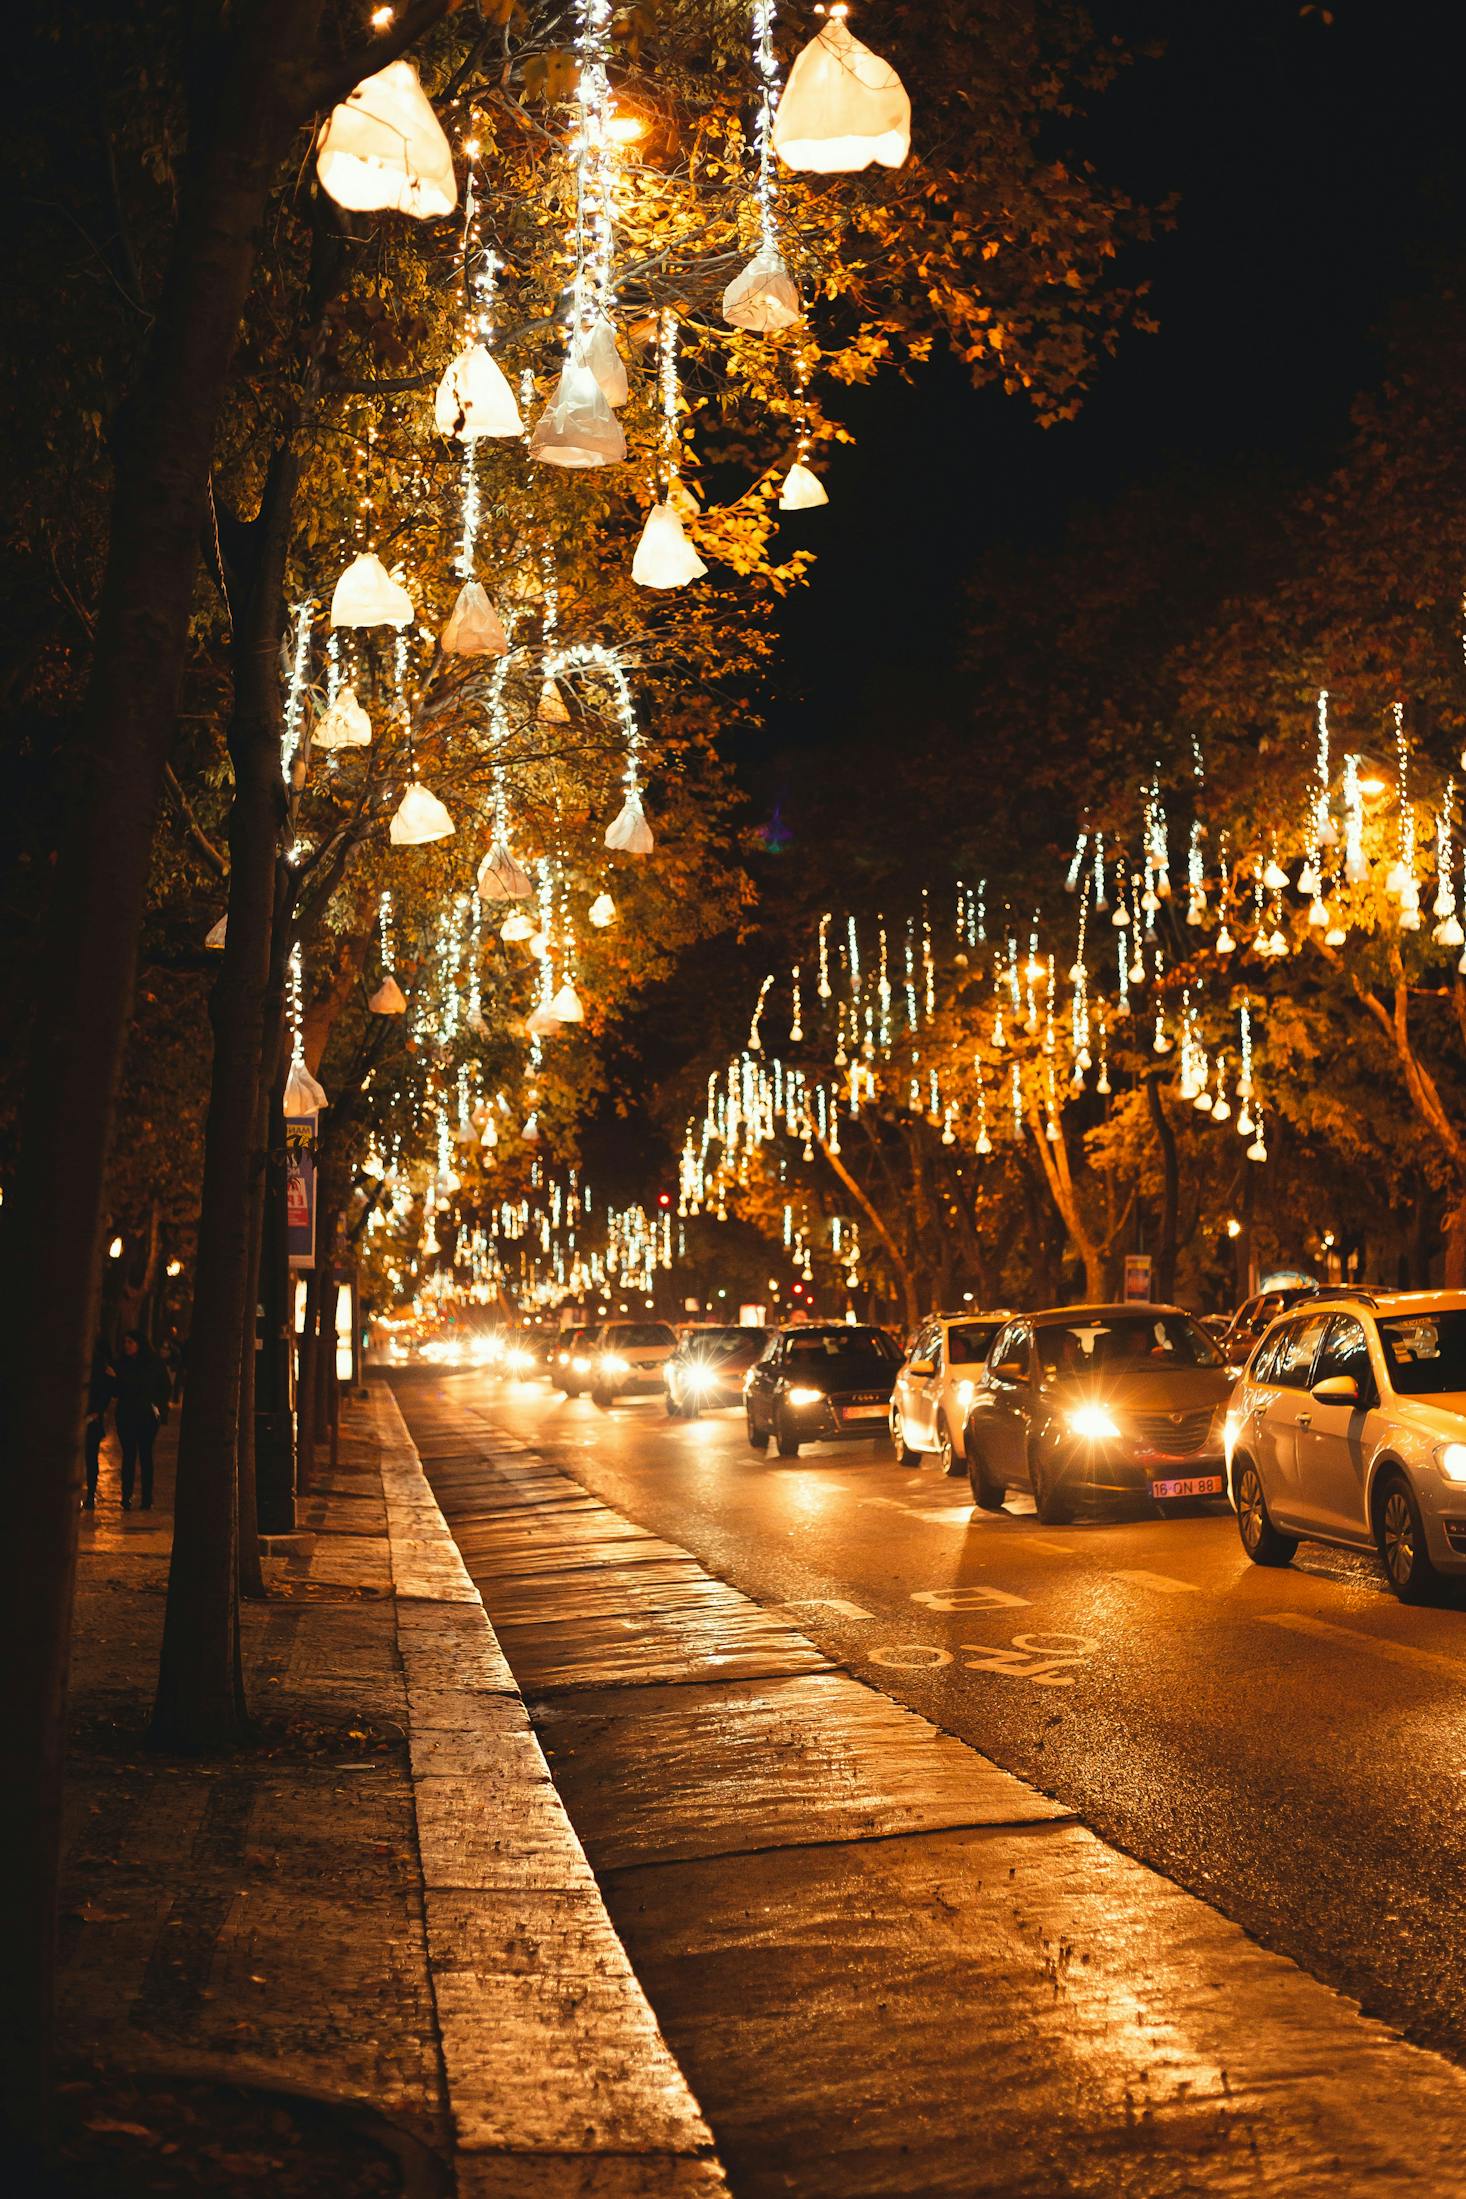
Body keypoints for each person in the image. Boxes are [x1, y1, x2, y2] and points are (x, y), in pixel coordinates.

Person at [113, 1330, 170, 1511]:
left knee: (145, 1456)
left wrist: (157, 1407)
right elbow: (117, 1389)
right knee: (128, 1456)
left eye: (130, 1342)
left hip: (146, 1416)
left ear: (139, 1344)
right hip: (126, 1415)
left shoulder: (152, 1364)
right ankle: (126, 1495)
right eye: (125, 1342)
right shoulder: (121, 1363)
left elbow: (163, 1387)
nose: (127, 1346)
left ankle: (146, 1498)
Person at [83, 1338, 114, 1510]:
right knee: (89, 1457)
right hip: (91, 1416)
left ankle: (90, 1493)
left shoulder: (99, 1366)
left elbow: (105, 1391)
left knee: (90, 1457)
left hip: (92, 1418)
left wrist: (97, 1411)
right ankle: (89, 1493)